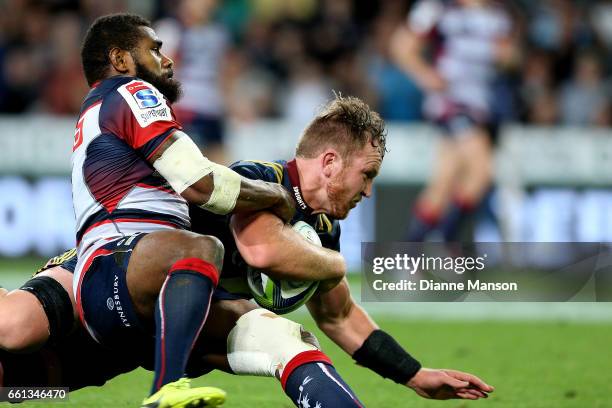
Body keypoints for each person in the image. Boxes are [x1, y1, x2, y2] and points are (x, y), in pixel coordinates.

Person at [1, 96, 493, 405]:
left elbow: (341, 316)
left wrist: (414, 375)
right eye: (367, 176)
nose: (368, 192)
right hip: (110, 284)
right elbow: (262, 251)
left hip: (167, 332)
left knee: (291, 341)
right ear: (329, 162)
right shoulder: (260, 182)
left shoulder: (321, 230)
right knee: (17, 350)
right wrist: (336, 265)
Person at [72, 13, 294, 408]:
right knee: (201, 248)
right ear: (121, 60)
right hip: (118, 263)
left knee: (270, 330)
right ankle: (166, 389)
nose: (167, 59)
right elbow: (199, 182)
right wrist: (276, 195)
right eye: (154, 50)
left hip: (117, 283)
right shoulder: (131, 92)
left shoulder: (98, 108)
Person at [390, 0, 519, 242]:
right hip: (451, 103)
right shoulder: (437, 8)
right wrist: (426, 76)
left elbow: (510, 59)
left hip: (481, 106)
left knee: (444, 182)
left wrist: (507, 56)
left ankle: (409, 252)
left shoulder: (498, 14)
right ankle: (447, 241)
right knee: (481, 170)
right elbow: (402, 46)